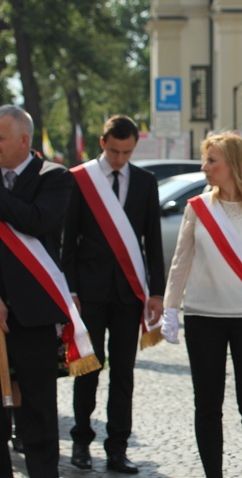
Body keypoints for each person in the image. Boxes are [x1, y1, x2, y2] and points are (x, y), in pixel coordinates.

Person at [161, 131, 242, 478]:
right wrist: (172, 307)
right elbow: (181, 261)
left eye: (211, 161)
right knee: (207, 406)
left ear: (233, 164)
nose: (204, 167)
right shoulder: (197, 209)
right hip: (203, 317)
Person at [62, 114, 165, 474]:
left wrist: (157, 292)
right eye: (115, 151)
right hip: (88, 292)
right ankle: (80, 442)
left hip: (128, 293)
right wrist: (70, 288)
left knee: (124, 373)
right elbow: (68, 241)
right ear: (102, 142)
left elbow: (152, 239)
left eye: (128, 152)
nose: (121, 159)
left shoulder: (144, 181)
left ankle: (118, 448)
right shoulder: (79, 180)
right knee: (88, 368)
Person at [0, 104, 95, 477]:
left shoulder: (54, 177)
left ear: (25, 140)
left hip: (34, 310)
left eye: (1, 137)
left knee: (38, 407)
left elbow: (36, 219)